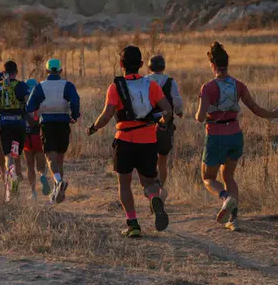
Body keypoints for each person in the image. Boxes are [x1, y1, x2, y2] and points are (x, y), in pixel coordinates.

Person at [87, 46, 173, 238]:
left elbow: (107, 115)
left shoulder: (115, 87)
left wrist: (93, 127)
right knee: (148, 182)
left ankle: (133, 224)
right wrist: (161, 123)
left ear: (120, 64)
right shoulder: (151, 86)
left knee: (124, 185)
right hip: (148, 140)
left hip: (124, 140)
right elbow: (167, 110)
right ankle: (153, 198)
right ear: (142, 65)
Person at [195, 42, 278, 231]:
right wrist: (274, 113)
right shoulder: (239, 86)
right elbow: (256, 110)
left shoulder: (208, 87)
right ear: (227, 64)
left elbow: (200, 118)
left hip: (216, 136)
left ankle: (226, 198)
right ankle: (234, 220)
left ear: (212, 65)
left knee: (208, 178)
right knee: (229, 175)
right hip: (235, 135)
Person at [26, 59, 80, 204]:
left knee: (50, 158)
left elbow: (29, 106)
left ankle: (58, 181)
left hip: (47, 124)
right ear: (61, 71)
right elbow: (75, 101)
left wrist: (39, 113)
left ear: (47, 71)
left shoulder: (40, 86)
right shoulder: (68, 85)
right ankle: (57, 194)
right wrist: (74, 116)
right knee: (59, 159)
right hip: (63, 124)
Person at [0, 61, 31, 201]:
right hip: (19, 125)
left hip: (4, 124)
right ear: (16, 72)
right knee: (15, 153)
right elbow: (29, 105)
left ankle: (11, 183)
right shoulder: (22, 86)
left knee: (8, 157)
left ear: (3, 73)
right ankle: (16, 177)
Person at [146, 55, 184, 196]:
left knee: (149, 160)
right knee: (162, 161)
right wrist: (179, 112)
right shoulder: (170, 81)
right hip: (165, 125)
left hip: (147, 126)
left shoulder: (144, 81)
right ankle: (160, 188)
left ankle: (152, 192)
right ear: (163, 67)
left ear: (149, 67)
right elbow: (177, 101)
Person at [23, 78, 51, 201]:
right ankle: (42, 175)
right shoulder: (41, 100)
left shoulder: (23, 101)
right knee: (41, 164)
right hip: (38, 135)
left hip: (26, 135)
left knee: (29, 165)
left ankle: (33, 192)